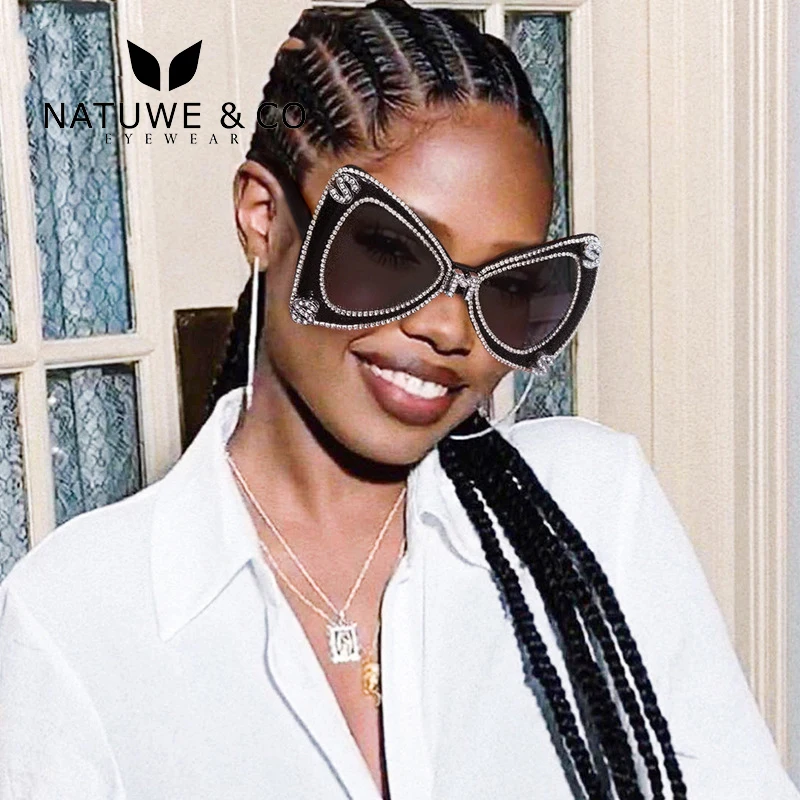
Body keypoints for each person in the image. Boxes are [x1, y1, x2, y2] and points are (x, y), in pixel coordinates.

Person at [0, 2, 797, 798]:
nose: (451, 329)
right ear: (263, 217)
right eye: (389, 250)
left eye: (511, 287)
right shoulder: (77, 617)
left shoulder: (593, 511)